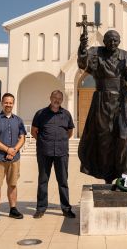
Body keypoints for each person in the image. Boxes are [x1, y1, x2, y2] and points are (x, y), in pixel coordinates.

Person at [77, 29, 127, 183]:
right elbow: (83, 64)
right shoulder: (96, 53)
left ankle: (123, 174)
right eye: (109, 40)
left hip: (121, 102)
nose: (112, 43)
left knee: (123, 137)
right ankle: (107, 176)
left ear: (119, 41)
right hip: (102, 101)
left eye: (115, 40)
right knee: (105, 140)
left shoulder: (125, 56)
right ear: (104, 41)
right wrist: (82, 48)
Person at [31, 90, 76, 219]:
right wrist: (43, 142)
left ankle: (66, 208)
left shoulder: (66, 114)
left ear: (62, 100)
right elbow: (34, 131)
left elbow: (70, 132)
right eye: (55, 97)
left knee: (63, 181)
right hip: (44, 153)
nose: (57, 100)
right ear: (50, 98)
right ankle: (41, 208)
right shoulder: (40, 113)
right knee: (43, 181)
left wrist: (60, 141)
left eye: (59, 98)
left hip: (61, 153)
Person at [0, 93, 26, 221]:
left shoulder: (18, 120)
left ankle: (13, 209)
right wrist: (7, 149)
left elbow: (22, 137)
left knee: (13, 184)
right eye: (6, 102)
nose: (8, 105)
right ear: (2, 103)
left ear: (13, 104)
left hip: (14, 158)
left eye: (10, 102)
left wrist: (14, 150)